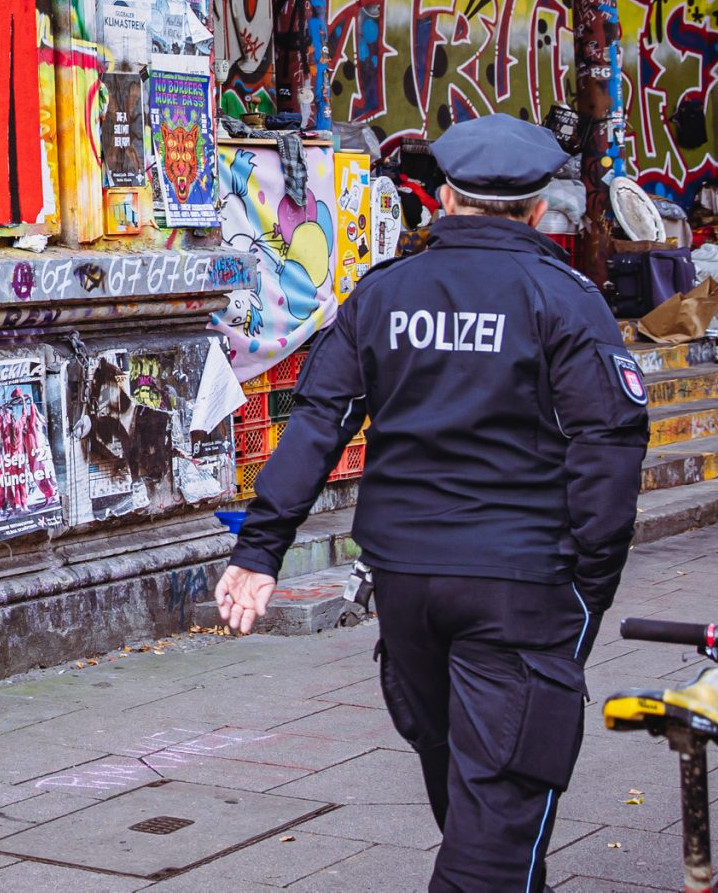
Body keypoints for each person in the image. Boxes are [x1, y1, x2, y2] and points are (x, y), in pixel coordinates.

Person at [216, 115, 650, 893]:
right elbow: (609, 449)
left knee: (474, 795)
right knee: (497, 809)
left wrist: (260, 548)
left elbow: (317, 423)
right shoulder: (567, 300)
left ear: (443, 198)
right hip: (521, 582)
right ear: (536, 208)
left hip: (408, 584)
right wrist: (589, 583)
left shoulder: (384, 294)